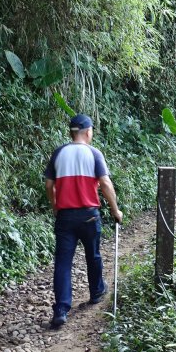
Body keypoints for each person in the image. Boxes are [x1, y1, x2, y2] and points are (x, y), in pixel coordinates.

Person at [43, 114, 123, 328]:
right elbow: (105, 184)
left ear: (71, 133)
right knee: (93, 254)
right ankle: (96, 291)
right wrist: (116, 210)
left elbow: (49, 185)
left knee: (62, 262)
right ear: (88, 132)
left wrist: (55, 206)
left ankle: (61, 308)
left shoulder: (59, 153)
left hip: (65, 216)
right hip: (89, 214)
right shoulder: (94, 153)